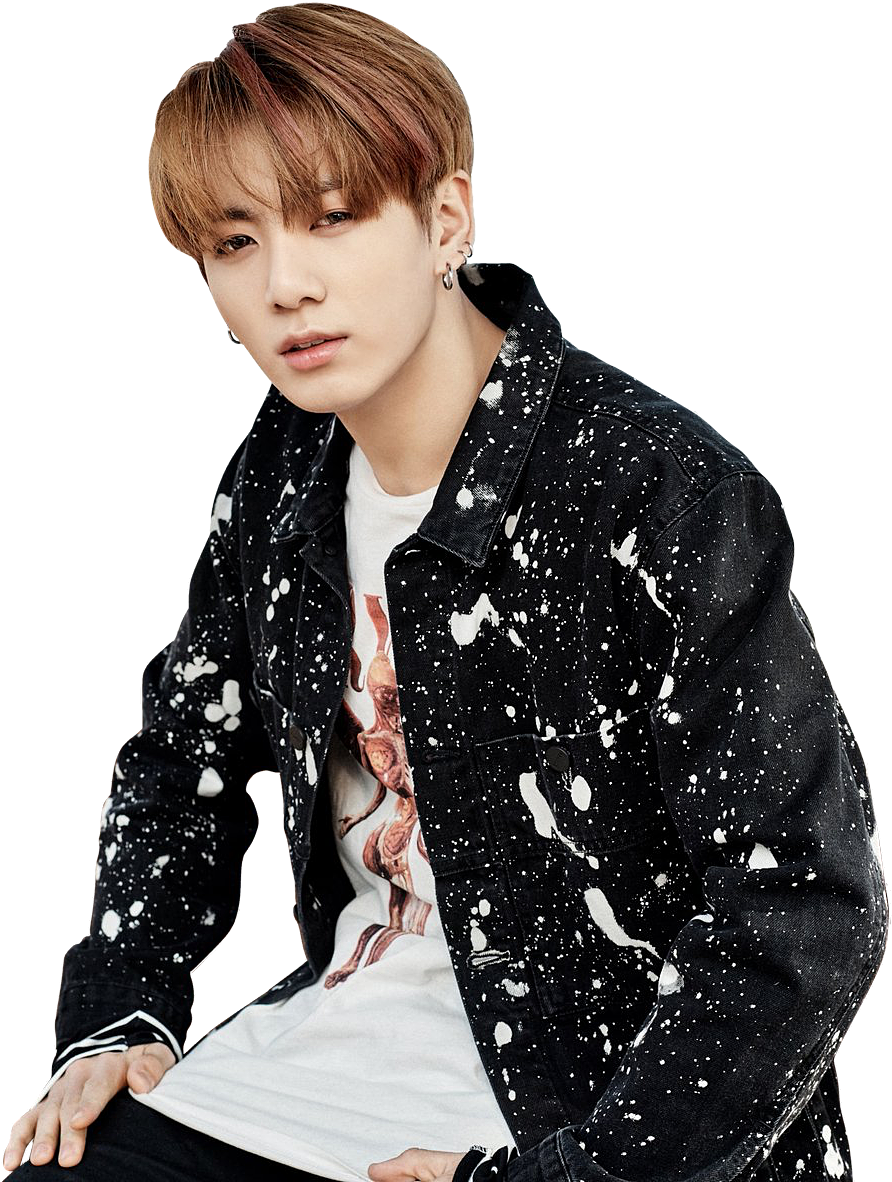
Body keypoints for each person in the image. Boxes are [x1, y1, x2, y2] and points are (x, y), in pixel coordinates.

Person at [4, 3, 886, 1179]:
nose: (286, 285)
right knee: (59, 1161)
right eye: (235, 243)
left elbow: (808, 906)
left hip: (588, 1111)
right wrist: (121, 1008)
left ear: (446, 221)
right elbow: (181, 763)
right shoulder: (283, 473)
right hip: (325, 1073)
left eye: (332, 217)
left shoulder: (659, 489)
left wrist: (575, 1177)